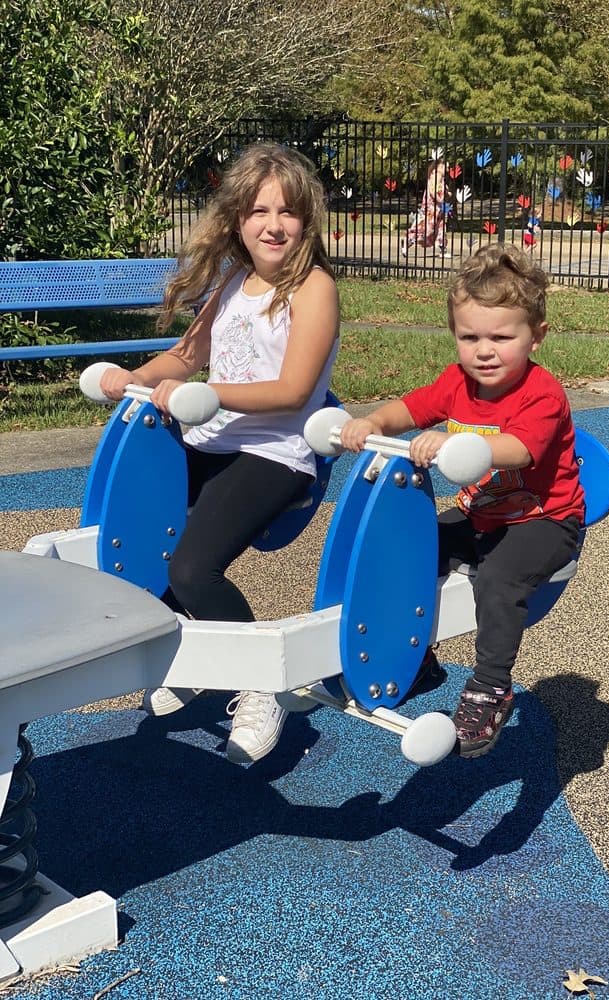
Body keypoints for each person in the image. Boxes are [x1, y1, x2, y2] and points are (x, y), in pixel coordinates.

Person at [99, 143, 340, 764]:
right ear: (238, 220)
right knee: (142, 543)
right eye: (259, 211)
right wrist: (134, 378)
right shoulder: (234, 282)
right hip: (211, 437)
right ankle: (201, 649)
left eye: (287, 212)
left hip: (277, 452)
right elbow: (186, 356)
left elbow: (291, 392)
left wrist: (202, 394)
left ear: (306, 221)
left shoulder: (313, 289)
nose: (273, 225)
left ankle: (258, 681)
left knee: (190, 570)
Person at [339, 244, 584, 759]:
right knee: (411, 549)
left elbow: (518, 448)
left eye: (501, 336)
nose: (484, 350)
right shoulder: (457, 382)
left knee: (498, 579)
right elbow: (412, 406)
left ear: (536, 336)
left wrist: (455, 444)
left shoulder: (542, 394)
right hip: (484, 513)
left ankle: (492, 687)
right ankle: (416, 658)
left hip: (545, 518)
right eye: (469, 337)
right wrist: (375, 422)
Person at [401, 159, 450, 258]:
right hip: (431, 209)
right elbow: (432, 191)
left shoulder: (441, 179)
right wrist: (440, 199)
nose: (448, 169)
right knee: (425, 230)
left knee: (440, 229)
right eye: (446, 167)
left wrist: (447, 194)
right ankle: (408, 241)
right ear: (439, 167)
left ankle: (442, 249)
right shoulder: (435, 176)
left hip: (438, 208)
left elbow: (443, 192)